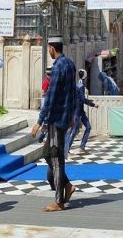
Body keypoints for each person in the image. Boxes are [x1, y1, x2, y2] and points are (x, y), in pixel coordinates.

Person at [31, 36, 77, 212]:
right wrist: (72, 114)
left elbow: (50, 97)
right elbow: (73, 92)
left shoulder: (58, 67)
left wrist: (39, 121)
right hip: (64, 117)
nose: (48, 51)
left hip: (56, 120)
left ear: (52, 48)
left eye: (48, 48)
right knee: (48, 154)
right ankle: (66, 185)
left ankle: (59, 201)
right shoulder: (71, 65)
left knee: (56, 159)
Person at [66, 69, 98, 156]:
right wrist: (92, 104)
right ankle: (67, 148)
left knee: (88, 127)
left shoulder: (77, 84)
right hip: (78, 111)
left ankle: (82, 146)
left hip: (80, 111)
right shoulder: (81, 86)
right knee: (75, 130)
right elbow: (82, 99)